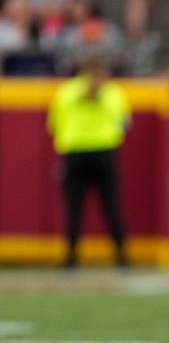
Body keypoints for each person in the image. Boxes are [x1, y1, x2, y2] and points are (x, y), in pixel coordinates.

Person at [47, 50, 131, 268]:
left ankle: (71, 259)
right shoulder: (112, 91)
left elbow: (53, 123)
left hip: (74, 153)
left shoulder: (66, 90)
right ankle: (122, 257)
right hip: (103, 152)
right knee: (111, 206)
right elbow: (124, 122)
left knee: (74, 209)